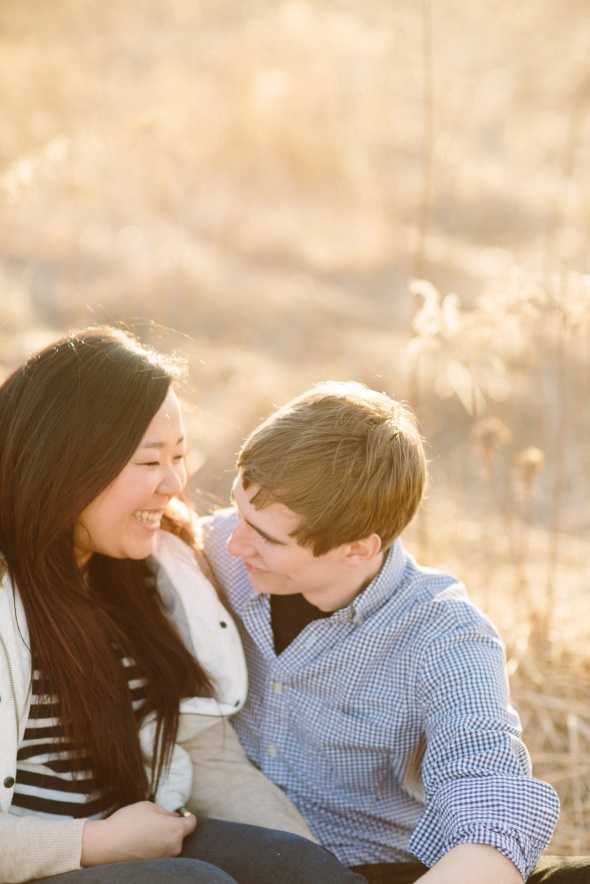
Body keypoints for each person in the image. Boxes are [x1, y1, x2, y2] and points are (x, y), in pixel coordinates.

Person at [0, 329, 367, 884]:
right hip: (39, 865)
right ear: (65, 463)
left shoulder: (161, 572)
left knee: (297, 868)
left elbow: (211, 757)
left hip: (136, 850)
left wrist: (316, 870)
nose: (175, 483)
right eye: (150, 463)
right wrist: (90, 842)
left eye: (179, 456)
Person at [200, 381, 590, 883]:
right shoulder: (210, 553)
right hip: (246, 856)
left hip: (387, 867)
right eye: (239, 511)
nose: (234, 543)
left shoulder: (445, 634)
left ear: (359, 549)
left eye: (267, 538)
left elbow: (490, 796)